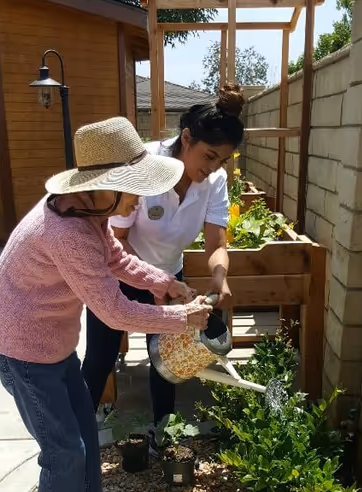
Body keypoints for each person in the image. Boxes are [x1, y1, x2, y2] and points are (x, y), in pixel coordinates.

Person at [0, 117, 212, 492]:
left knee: (86, 430)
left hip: (53, 345)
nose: (137, 200)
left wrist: (165, 284)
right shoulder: (66, 233)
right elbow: (113, 311)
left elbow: (119, 260)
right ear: (101, 185)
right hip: (24, 354)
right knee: (63, 448)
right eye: (131, 189)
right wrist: (179, 318)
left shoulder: (87, 214)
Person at [82, 84, 245, 447]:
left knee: (166, 360)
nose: (213, 167)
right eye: (209, 156)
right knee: (100, 356)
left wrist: (220, 277)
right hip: (119, 273)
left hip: (171, 276)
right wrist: (157, 282)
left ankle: (164, 434)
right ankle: (79, 436)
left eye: (222, 161)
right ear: (186, 138)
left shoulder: (214, 181)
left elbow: (217, 242)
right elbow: (117, 242)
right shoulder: (146, 168)